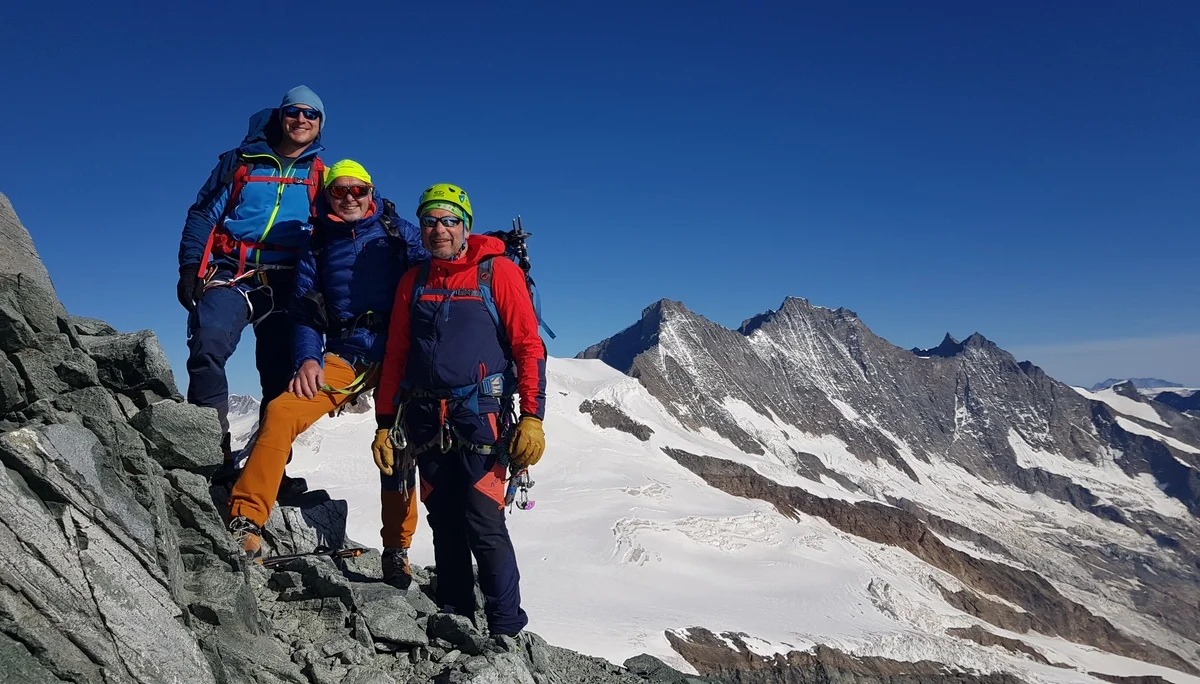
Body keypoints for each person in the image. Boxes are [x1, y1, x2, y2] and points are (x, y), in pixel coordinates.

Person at [225, 160, 426, 588]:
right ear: (328, 195)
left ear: (372, 193)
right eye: (340, 191)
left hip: (400, 355)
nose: (350, 197)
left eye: (359, 190)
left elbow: (436, 268)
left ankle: (397, 548)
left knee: (397, 450)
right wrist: (307, 359)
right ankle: (246, 519)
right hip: (346, 356)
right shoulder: (317, 245)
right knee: (281, 412)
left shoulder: (398, 232)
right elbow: (305, 312)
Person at [372, 183, 546, 637]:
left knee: (483, 522)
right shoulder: (414, 280)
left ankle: (506, 629)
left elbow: (529, 345)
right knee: (444, 521)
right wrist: (385, 422)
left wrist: (532, 416)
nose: (439, 230)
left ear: (465, 226)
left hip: (480, 416)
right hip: (426, 419)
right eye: (429, 221)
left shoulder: (497, 272)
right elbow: (396, 354)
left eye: (449, 220)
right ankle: (455, 615)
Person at [176, 86, 326, 467]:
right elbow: (203, 215)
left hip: (289, 281)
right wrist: (191, 267)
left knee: (279, 376)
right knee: (208, 344)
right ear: (281, 116)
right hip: (234, 272)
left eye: (312, 114)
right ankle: (211, 455)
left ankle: (269, 470)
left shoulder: (321, 176)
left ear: (320, 124)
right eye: (294, 111)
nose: (302, 119)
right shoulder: (241, 163)